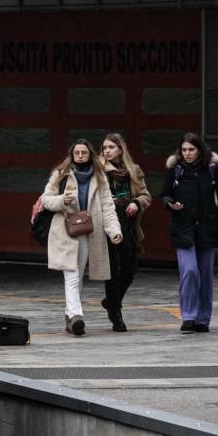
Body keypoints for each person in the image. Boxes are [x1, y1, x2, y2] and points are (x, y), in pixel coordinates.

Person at [40, 139, 123, 337]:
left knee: (77, 276)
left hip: (87, 230)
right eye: (76, 153)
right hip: (64, 230)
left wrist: (114, 231)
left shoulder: (99, 176)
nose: (80, 156)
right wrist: (62, 200)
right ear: (71, 154)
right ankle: (77, 315)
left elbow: (107, 206)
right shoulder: (61, 174)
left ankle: (70, 317)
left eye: (83, 153)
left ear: (90, 154)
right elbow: (45, 199)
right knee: (72, 273)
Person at [162, 133, 218, 333]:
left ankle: (203, 319)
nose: (187, 154)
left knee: (205, 275)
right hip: (183, 229)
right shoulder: (176, 171)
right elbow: (165, 195)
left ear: (200, 150)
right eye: (184, 150)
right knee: (190, 271)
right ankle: (188, 316)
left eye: (191, 150)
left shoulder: (212, 171)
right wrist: (171, 204)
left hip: (207, 228)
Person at [99, 133, 152, 332]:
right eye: (104, 147)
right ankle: (116, 314)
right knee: (112, 272)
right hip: (107, 225)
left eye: (111, 147)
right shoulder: (98, 171)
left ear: (121, 149)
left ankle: (111, 301)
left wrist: (136, 203)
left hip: (128, 225)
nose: (107, 151)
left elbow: (146, 195)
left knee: (129, 270)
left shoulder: (134, 170)